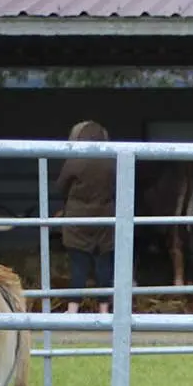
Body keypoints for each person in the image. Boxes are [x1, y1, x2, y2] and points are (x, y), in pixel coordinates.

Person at [54, 120, 116, 314]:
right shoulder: (112, 160)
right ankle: (104, 309)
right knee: (104, 265)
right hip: (105, 219)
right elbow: (118, 187)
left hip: (77, 221)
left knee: (78, 265)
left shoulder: (75, 160)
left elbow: (60, 187)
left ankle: (73, 309)